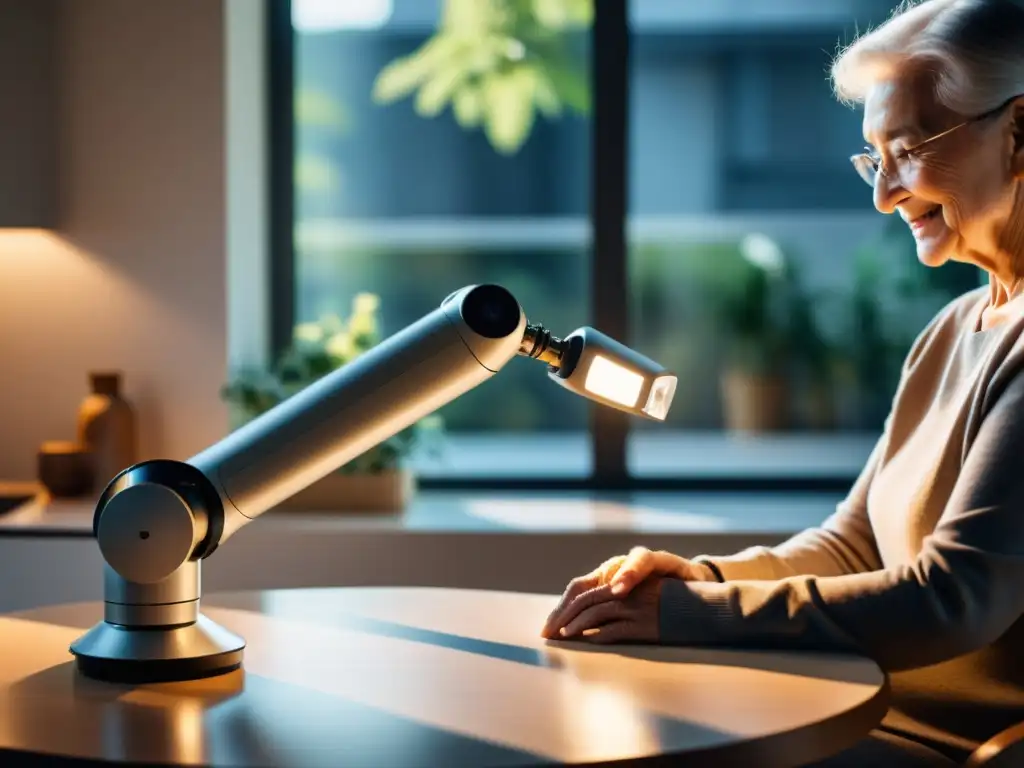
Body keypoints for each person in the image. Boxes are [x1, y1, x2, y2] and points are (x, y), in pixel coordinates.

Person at [540, 1, 1024, 765]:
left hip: (955, 750)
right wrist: (702, 577)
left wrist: (696, 613)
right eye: (875, 158)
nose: (885, 195)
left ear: (1017, 131)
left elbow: (953, 599)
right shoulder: (954, 329)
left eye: (906, 149)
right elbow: (854, 543)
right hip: (858, 719)